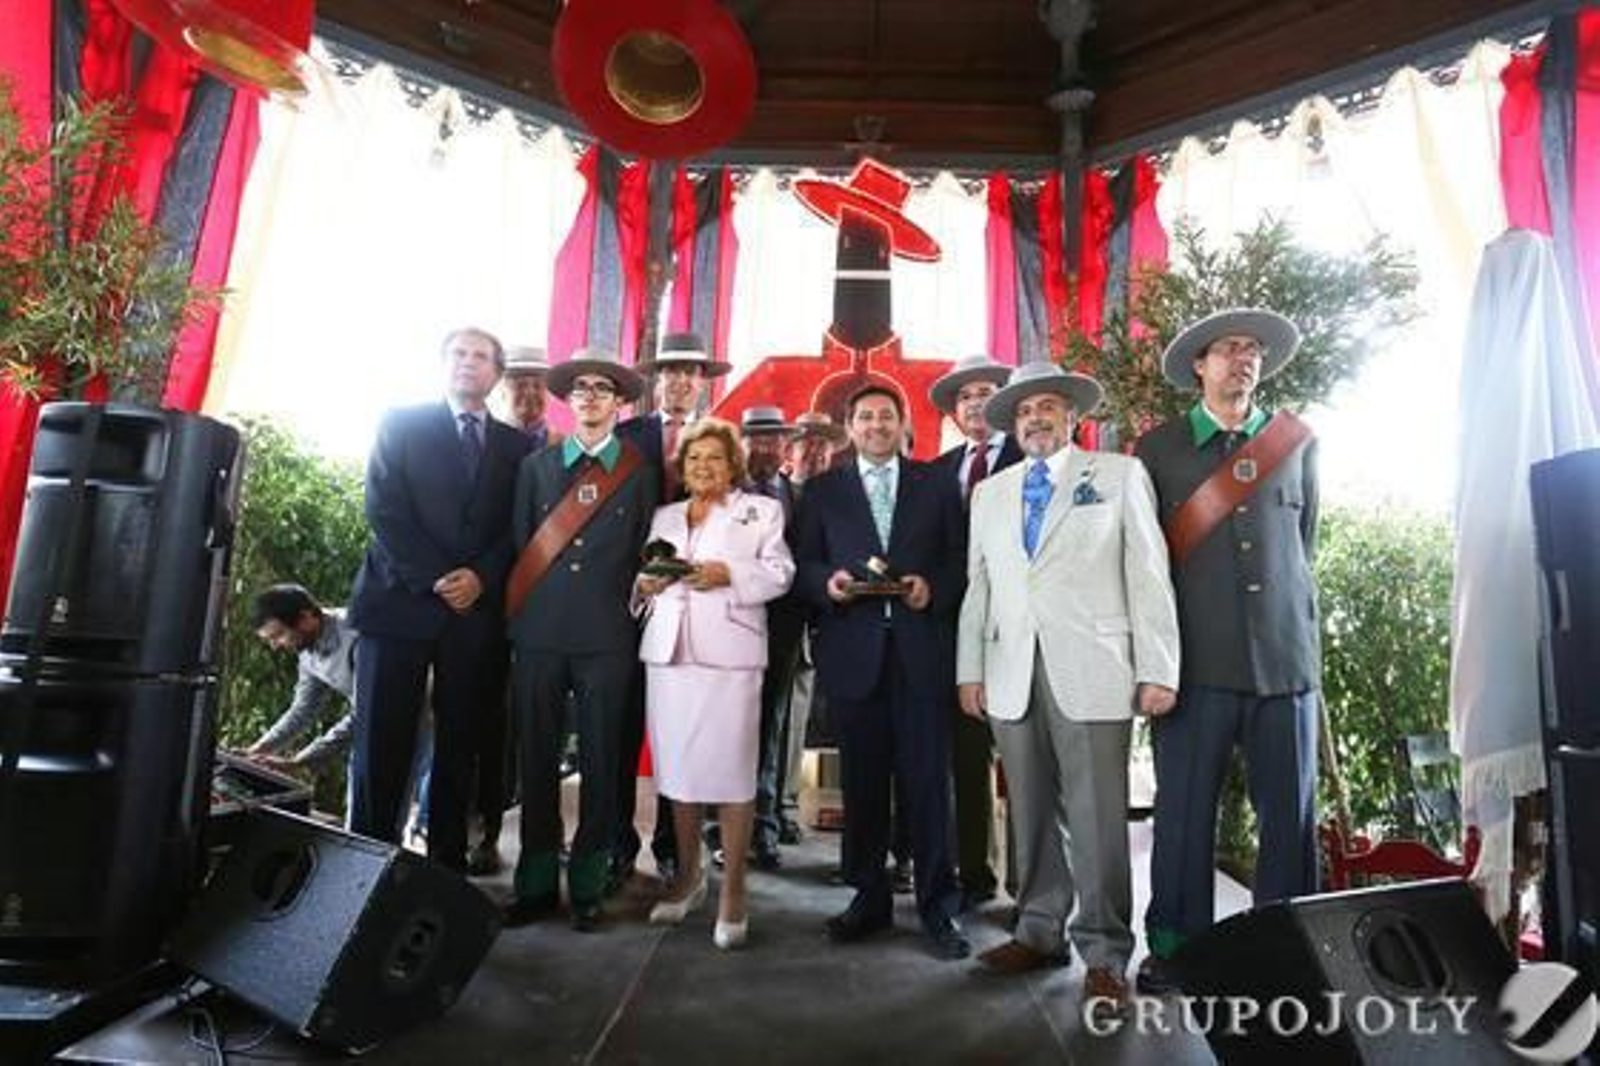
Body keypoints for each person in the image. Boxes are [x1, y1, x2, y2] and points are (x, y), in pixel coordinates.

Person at [955, 362, 1179, 1019]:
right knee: (1029, 811)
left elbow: (1148, 573)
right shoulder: (991, 494)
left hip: (1096, 667)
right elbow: (981, 586)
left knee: (1098, 818)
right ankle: (1038, 931)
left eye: (1047, 407)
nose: (1035, 419)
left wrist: (1157, 667)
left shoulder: (1117, 475)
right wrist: (970, 669)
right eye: (1024, 412)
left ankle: (1106, 954)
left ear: (1072, 416)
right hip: (1010, 670)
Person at [1132, 308, 1321, 995]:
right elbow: (1144, 566)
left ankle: (1286, 952)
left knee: (1290, 824)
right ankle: (1178, 952)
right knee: (1181, 818)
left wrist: (1301, 652)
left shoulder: (1295, 442)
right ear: (1200, 367)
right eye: (1227, 350)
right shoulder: (1157, 451)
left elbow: (1304, 549)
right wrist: (1149, 663)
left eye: (1252, 351)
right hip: (1193, 665)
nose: (1243, 359)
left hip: (1285, 666)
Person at [794, 384, 971, 961]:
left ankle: (938, 907)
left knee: (929, 787)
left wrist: (933, 588)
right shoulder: (821, 492)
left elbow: (960, 560)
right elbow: (802, 565)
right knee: (864, 786)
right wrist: (828, 584)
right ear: (850, 427)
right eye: (865, 416)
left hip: (922, 654)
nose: (875, 425)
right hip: (855, 656)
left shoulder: (938, 484)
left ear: (903, 423)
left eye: (886, 416)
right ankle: (867, 898)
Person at [347, 327, 527, 872]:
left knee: (461, 743)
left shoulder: (519, 447)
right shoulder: (400, 423)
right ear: (442, 363)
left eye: (481, 356)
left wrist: (480, 577)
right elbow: (383, 506)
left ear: (496, 374)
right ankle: (367, 865)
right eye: (458, 353)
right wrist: (439, 577)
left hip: (475, 615)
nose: (468, 363)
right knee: (382, 742)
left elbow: (520, 527)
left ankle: (444, 868)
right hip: (398, 604)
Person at [505, 348, 657, 932]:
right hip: (541, 632)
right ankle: (536, 882)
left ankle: (589, 885)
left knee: (601, 760)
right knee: (537, 758)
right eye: (581, 389)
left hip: (607, 637)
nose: (590, 396)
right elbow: (524, 548)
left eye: (603, 388)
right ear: (568, 402)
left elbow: (646, 550)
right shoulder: (535, 469)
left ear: (620, 402)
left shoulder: (641, 472)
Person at [634, 418, 795, 949]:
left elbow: (781, 572)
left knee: (731, 775)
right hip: (669, 655)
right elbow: (646, 584)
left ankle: (734, 892)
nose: (704, 466)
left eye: (715, 458)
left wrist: (731, 575)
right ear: (683, 466)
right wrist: (645, 585)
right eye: (695, 458)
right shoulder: (665, 515)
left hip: (730, 656)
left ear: (733, 466)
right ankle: (687, 878)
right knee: (677, 771)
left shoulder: (761, 511)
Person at [614, 332, 731, 890]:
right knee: (619, 727)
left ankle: (670, 846)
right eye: (671, 371)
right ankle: (615, 843)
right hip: (627, 604)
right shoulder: (625, 436)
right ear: (656, 381)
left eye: (691, 371)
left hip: (696, 609)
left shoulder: (720, 441)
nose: (681, 380)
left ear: (703, 381)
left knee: (680, 734)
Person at [928, 353, 1022, 911]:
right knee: (967, 759)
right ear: (955, 411)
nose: (975, 404)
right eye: (965, 397)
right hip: (956, 633)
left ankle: (1031, 891)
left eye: (986, 392)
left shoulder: (1031, 457)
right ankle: (975, 875)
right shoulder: (939, 470)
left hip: (1020, 630)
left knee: (1028, 765)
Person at [776, 412, 847, 834]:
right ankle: (752, 811)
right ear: (791, 450)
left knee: (797, 719)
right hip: (772, 625)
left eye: (824, 444)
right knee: (764, 722)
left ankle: (785, 804)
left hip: (817, 626)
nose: (816, 451)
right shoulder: (772, 494)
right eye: (807, 443)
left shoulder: (837, 499)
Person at [738, 406, 802, 870]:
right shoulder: (722, 495)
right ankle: (719, 828)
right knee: (729, 729)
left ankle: (764, 828)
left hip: (782, 630)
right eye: (754, 439)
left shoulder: (801, 497)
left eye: (772, 439)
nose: (763, 447)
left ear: (786, 446)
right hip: (730, 628)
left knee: (772, 727)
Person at [245, 584, 359, 775]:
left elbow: (366, 712)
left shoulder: (356, 636)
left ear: (306, 618)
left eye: (278, 635)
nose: (275, 646)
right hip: (374, 727)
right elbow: (304, 709)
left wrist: (300, 761)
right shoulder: (306, 646)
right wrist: (260, 748)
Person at [498, 345, 558, 449]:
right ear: (502, 390)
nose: (530, 392)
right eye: (520, 385)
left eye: (538, 386)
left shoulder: (566, 448)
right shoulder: (485, 443)